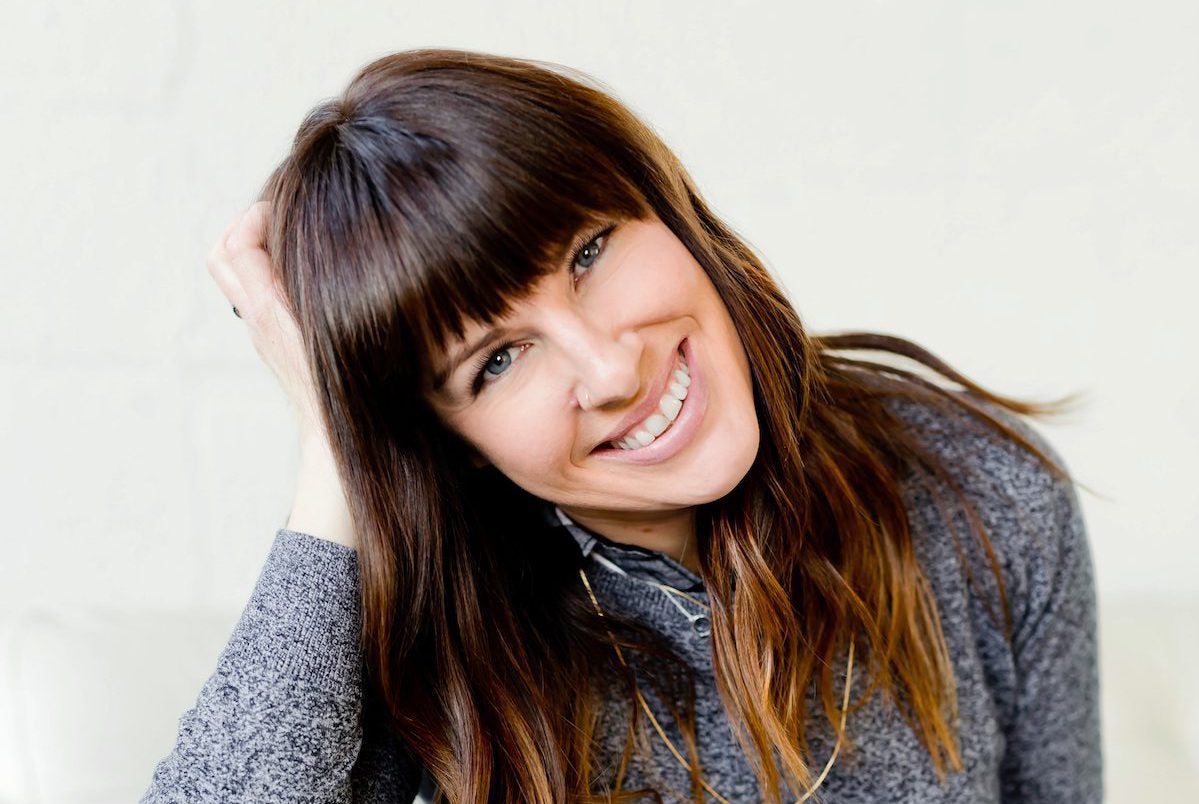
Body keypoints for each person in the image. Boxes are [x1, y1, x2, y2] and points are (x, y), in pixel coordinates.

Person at [142, 48, 1101, 803]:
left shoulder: (977, 494)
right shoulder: (436, 619)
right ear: (447, 441)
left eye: (589, 252)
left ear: (665, 206)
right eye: (497, 362)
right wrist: (334, 436)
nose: (608, 368)